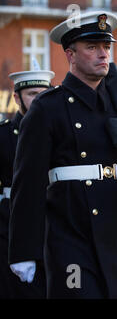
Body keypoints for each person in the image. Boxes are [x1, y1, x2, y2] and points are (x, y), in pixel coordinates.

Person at [8, 11, 117, 298]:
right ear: (70, 55)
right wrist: (24, 249)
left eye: (106, 47)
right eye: (92, 47)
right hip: (72, 235)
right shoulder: (48, 108)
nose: (103, 54)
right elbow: (28, 183)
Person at [0, 69, 54, 298]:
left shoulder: (60, 133)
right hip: (10, 226)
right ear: (16, 98)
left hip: (55, 223)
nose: (39, 99)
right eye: (33, 93)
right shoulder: (3, 135)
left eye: (44, 93)